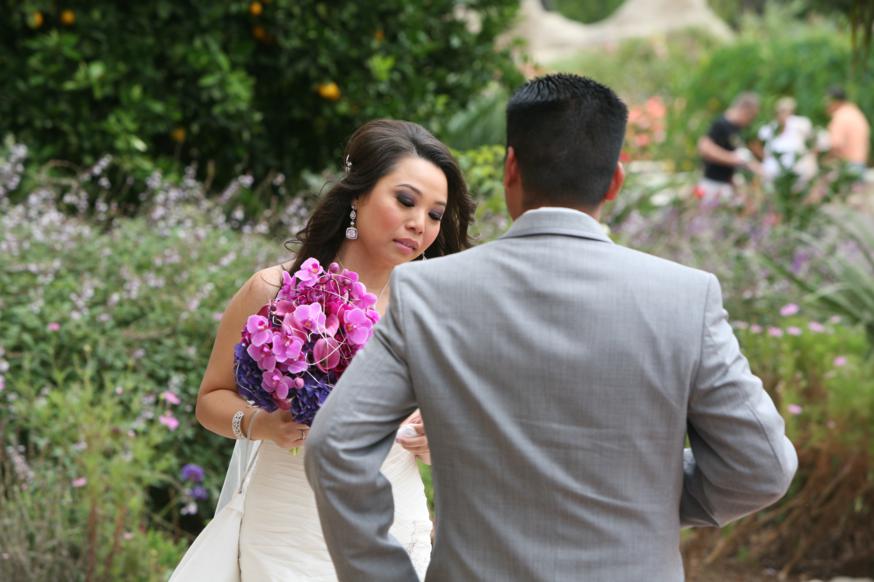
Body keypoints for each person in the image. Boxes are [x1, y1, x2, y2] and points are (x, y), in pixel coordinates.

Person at [305, 74, 797, 581]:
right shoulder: (686, 298)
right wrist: (647, 494)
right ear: (615, 182)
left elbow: (335, 445)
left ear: (510, 168)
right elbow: (762, 466)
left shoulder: (428, 292)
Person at [191, 119, 476, 580]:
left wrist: (435, 441)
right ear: (357, 195)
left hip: (393, 526)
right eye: (406, 201)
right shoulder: (274, 290)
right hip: (287, 531)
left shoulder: (436, 312)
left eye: (435, 214)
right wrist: (263, 425)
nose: (418, 224)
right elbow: (210, 401)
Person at [696, 92, 761, 205]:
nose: (750, 122)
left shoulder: (736, 128)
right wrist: (732, 159)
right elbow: (704, 147)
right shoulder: (721, 124)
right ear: (745, 110)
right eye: (751, 117)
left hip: (725, 185)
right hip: (712, 185)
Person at [758, 96, 817, 187]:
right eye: (781, 111)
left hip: (799, 170)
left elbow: (813, 141)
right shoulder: (770, 128)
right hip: (774, 174)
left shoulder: (800, 124)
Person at [825, 86, 870, 177]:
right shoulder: (854, 112)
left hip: (847, 166)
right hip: (860, 163)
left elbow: (836, 144)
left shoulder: (840, 116)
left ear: (835, 101)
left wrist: (825, 160)